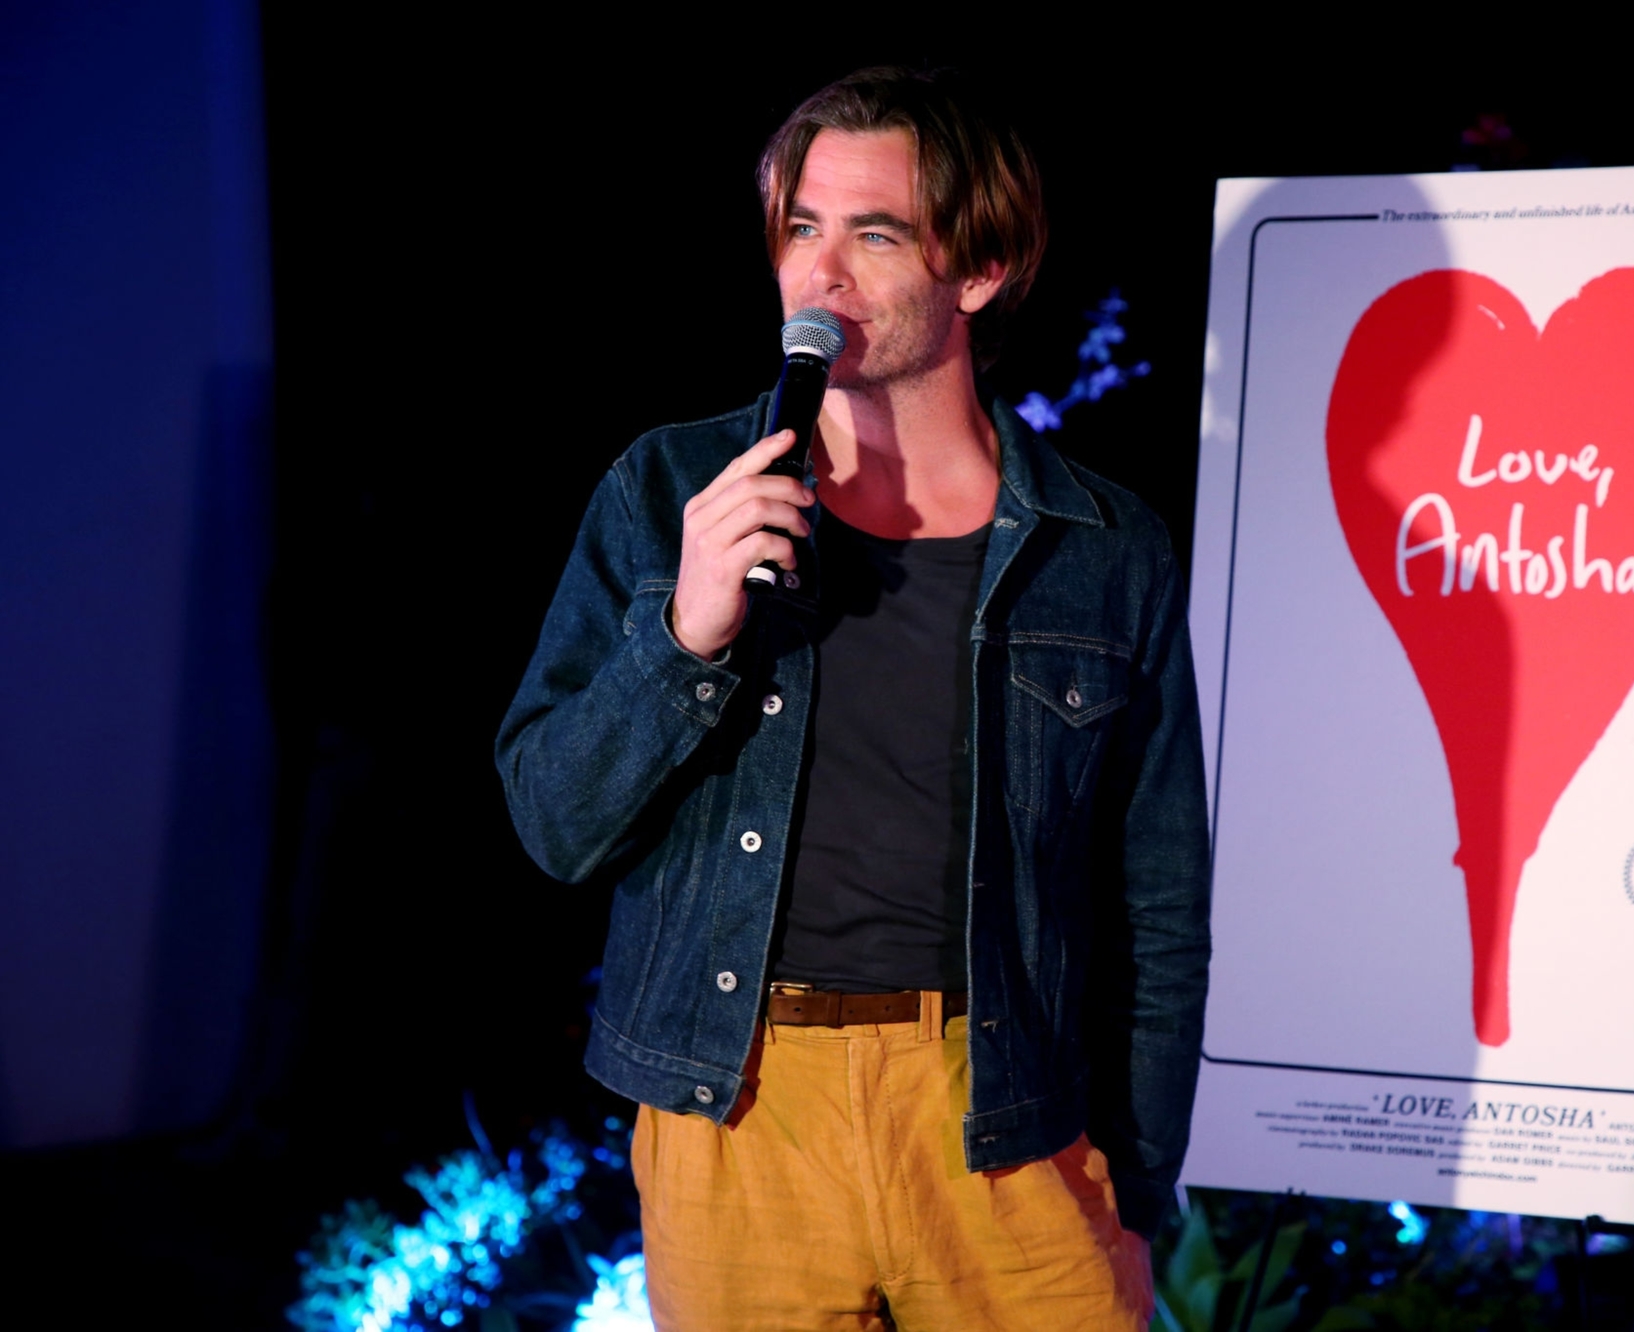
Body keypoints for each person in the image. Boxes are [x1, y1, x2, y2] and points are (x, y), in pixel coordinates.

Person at [496, 66, 1210, 1331]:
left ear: (978, 271)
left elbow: (1156, 904)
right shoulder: (668, 493)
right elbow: (555, 825)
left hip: (1006, 1121)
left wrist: (1137, 1186)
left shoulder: (1103, 548)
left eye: (872, 236)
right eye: (799, 228)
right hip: (740, 1112)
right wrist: (684, 635)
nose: (816, 277)